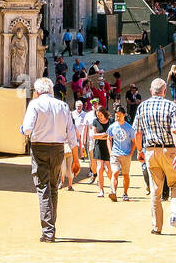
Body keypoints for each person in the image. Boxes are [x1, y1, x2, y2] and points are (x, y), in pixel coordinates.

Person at [20, 77, 78, 243]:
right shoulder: (63, 106)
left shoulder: (35, 104)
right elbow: (71, 134)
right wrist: (76, 158)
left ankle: (48, 231)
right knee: (53, 186)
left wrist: (22, 130)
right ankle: (51, 226)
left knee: (43, 187)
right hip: (58, 148)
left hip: (40, 147)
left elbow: (27, 129)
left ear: (37, 92)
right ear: (51, 90)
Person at [132, 77, 176, 236]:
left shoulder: (142, 106)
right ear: (164, 91)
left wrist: (139, 151)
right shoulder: (170, 105)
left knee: (155, 190)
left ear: (151, 90)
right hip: (168, 150)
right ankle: (175, 215)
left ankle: (157, 227)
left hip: (150, 151)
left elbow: (137, 132)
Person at [106, 105, 135, 201]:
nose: (117, 118)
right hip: (115, 154)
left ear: (124, 115)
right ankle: (113, 192)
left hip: (126, 154)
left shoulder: (129, 127)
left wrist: (131, 153)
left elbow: (133, 141)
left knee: (126, 175)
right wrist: (110, 151)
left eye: (119, 115)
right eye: (116, 116)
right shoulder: (112, 126)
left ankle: (125, 193)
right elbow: (108, 139)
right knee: (115, 172)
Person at [90, 106, 113, 198]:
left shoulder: (111, 120)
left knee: (109, 169)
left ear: (104, 113)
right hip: (99, 146)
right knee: (99, 168)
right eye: (97, 115)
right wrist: (103, 135)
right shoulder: (95, 121)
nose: (99, 117)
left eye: (100, 115)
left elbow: (112, 134)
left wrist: (103, 136)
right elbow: (93, 135)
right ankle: (101, 190)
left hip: (109, 146)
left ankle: (112, 187)